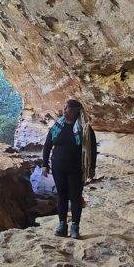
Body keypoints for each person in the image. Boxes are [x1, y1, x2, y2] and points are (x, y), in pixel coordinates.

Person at [40, 98, 97, 239]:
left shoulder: (85, 129)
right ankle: (62, 226)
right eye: (64, 107)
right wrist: (45, 164)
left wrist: (91, 168)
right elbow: (47, 145)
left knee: (75, 197)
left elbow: (92, 150)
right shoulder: (57, 126)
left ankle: (75, 227)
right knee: (62, 196)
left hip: (76, 169)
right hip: (58, 167)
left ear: (76, 111)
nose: (64, 110)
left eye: (68, 108)